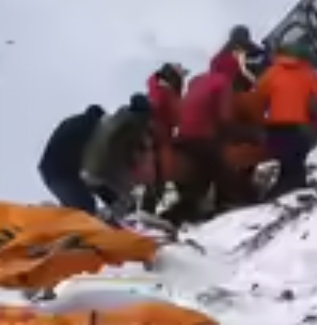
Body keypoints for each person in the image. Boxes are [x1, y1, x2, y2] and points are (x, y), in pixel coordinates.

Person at [253, 43, 317, 194]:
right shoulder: (308, 73)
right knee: (295, 168)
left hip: (275, 130)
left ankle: (283, 192)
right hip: (300, 130)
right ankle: (288, 195)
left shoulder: (272, 72)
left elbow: (257, 98)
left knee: (289, 166)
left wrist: (260, 124)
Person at [168, 68, 235, 224]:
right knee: (221, 165)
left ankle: (183, 212)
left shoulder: (195, 82)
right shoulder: (224, 82)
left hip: (181, 139)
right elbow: (225, 117)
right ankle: (225, 204)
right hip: (202, 138)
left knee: (195, 184)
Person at [80, 94, 155, 216]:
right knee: (126, 203)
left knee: (119, 200)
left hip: (90, 172)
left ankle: (118, 215)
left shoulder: (115, 119)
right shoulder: (132, 122)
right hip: (103, 171)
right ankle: (124, 216)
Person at [38, 105, 107, 213]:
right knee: (86, 206)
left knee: (75, 205)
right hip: (62, 172)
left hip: (49, 169)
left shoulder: (72, 121)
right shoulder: (92, 126)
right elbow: (95, 161)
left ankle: (61, 216)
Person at [146, 62, 187, 196]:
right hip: (160, 138)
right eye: (181, 78)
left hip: (152, 137)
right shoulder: (165, 93)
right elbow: (178, 118)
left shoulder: (156, 88)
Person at [211, 25, 263, 91]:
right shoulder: (242, 45)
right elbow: (260, 53)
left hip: (226, 89)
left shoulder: (217, 58)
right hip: (237, 86)